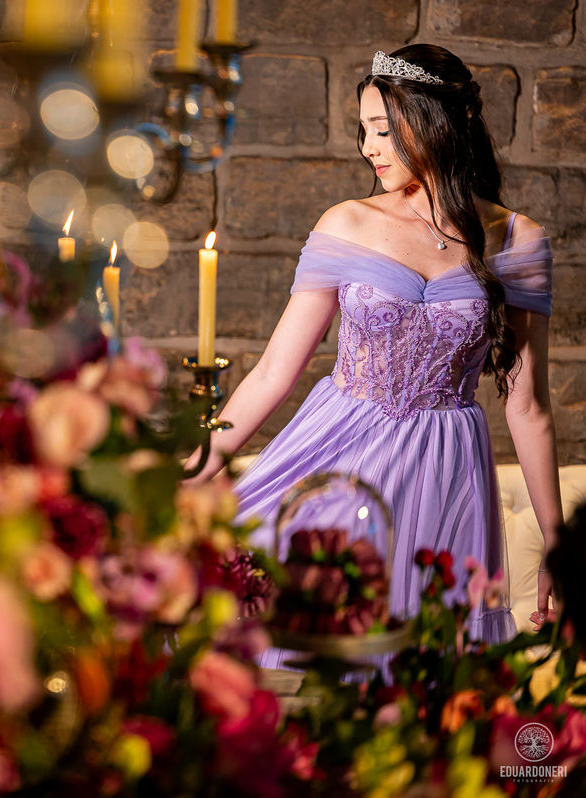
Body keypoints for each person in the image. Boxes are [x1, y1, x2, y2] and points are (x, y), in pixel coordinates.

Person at [185, 44, 562, 662]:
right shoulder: (347, 223)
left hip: (444, 471)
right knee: (292, 637)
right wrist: (197, 466)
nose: (368, 147)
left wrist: (558, 543)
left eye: (383, 130)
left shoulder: (517, 241)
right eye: (364, 131)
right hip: (337, 455)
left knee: (416, 674)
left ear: (442, 121)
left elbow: (527, 408)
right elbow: (274, 372)